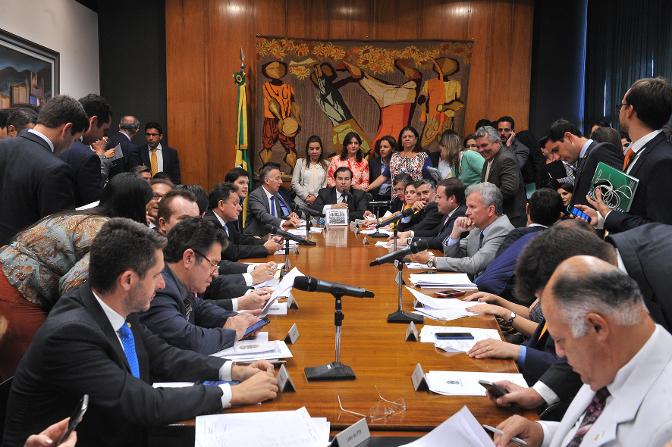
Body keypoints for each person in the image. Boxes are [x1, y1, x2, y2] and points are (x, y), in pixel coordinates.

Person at [2, 218, 278, 447]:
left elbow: (164, 356)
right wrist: (235, 395)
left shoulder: (116, 306)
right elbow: (140, 401)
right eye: (157, 275)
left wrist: (234, 370)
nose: (162, 285)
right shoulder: (72, 332)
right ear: (128, 280)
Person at [493, 256, 672, 447]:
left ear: (598, 327)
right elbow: (590, 431)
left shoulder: (664, 421)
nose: (560, 353)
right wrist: (541, 433)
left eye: (561, 340)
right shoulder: (610, 359)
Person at [0, 173, 152, 379]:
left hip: (9, 278)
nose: (149, 215)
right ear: (134, 206)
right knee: (34, 370)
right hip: (16, 292)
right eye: (147, 206)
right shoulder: (105, 232)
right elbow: (72, 288)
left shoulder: (80, 215)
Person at [140, 218, 259, 354]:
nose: (215, 274)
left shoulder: (179, 281)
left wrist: (233, 318)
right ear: (189, 258)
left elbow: (198, 307)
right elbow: (188, 339)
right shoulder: (159, 288)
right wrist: (233, 332)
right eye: (213, 264)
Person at [577, 77, 672, 232]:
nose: (619, 110)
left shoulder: (662, 160)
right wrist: (601, 217)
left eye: (621, 105)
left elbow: (660, 229)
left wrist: (609, 215)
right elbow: (636, 211)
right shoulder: (638, 151)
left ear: (630, 110)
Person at [0, 95, 88, 245]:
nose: (71, 146)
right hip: (22, 262)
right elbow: (57, 238)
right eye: (74, 140)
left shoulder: (3, 147)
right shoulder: (56, 169)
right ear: (66, 129)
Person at [472, 188, 563, 299]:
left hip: (499, 296)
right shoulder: (558, 243)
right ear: (559, 217)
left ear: (527, 208)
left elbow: (497, 266)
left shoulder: (516, 235)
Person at [409, 182, 514, 276]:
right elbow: (453, 256)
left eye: (472, 207)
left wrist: (432, 260)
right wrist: (455, 233)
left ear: (491, 210)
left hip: (489, 293)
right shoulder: (478, 227)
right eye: (467, 207)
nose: (467, 212)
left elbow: (474, 265)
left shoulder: (501, 229)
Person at [546, 119, 623, 208]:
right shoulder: (583, 157)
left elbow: (622, 194)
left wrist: (598, 217)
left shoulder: (599, 151)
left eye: (556, 150)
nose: (556, 157)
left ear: (569, 137)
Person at [205, 182, 281, 260]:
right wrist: (264, 249)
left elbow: (240, 239)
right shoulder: (209, 224)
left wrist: (265, 241)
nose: (240, 208)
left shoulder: (226, 221)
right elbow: (231, 252)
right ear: (221, 205)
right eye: (235, 204)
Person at [59, 94, 112, 206]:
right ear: (93, 121)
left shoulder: (55, 145)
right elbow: (92, 206)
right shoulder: (86, 156)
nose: (103, 137)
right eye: (104, 130)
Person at [475, 126, 527, 227]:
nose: (481, 150)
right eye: (478, 147)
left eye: (484, 145)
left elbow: (509, 189)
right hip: (498, 217)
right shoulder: (489, 159)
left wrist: (483, 202)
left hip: (510, 219)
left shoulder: (506, 159)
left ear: (497, 142)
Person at [399, 178, 467, 250]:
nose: (436, 201)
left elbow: (440, 241)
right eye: (419, 194)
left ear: (452, 198)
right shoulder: (449, 212)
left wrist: (408, 240)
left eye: (439, 197)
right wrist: (409, 234)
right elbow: (435, 232)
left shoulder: (460, 213)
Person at [366, 126, 432, 192]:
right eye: (404, 137)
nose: (407, 139)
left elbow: (428, 180)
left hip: (415, 198)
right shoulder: (395, 156)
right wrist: (367, 188)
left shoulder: (423, 156)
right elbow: (384, 176)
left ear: (416, 140)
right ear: (401, 140)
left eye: (410, 136)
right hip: (396, 198)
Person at [246, 164, 300, 236]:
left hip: (275, 234)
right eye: (277, 179)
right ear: (267, 180)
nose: (281, 182)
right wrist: (283, 222)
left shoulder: (275, 194)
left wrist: (288, 218)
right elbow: (263, 215)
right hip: (258, 237)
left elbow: (274, 216)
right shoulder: (256, 195)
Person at [291, 135, 328, 206]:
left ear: (321, 150)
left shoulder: (327, 164)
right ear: (307, 151)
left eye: (317, 148)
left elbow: (325, 186)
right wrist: (306, 196)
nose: (314, 151)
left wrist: (316, 198)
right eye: (311, 149)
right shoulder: (300, 162)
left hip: (318, 202)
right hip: (300, 202)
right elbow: (294, 183)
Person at [367, 135, 396, 200]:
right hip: (376, 197)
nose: (382, 149)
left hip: (392, 197)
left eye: (385, 147)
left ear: (393, 149)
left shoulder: (396, 162)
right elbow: (370, 180)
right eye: (380, 147)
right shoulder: (373, 162)